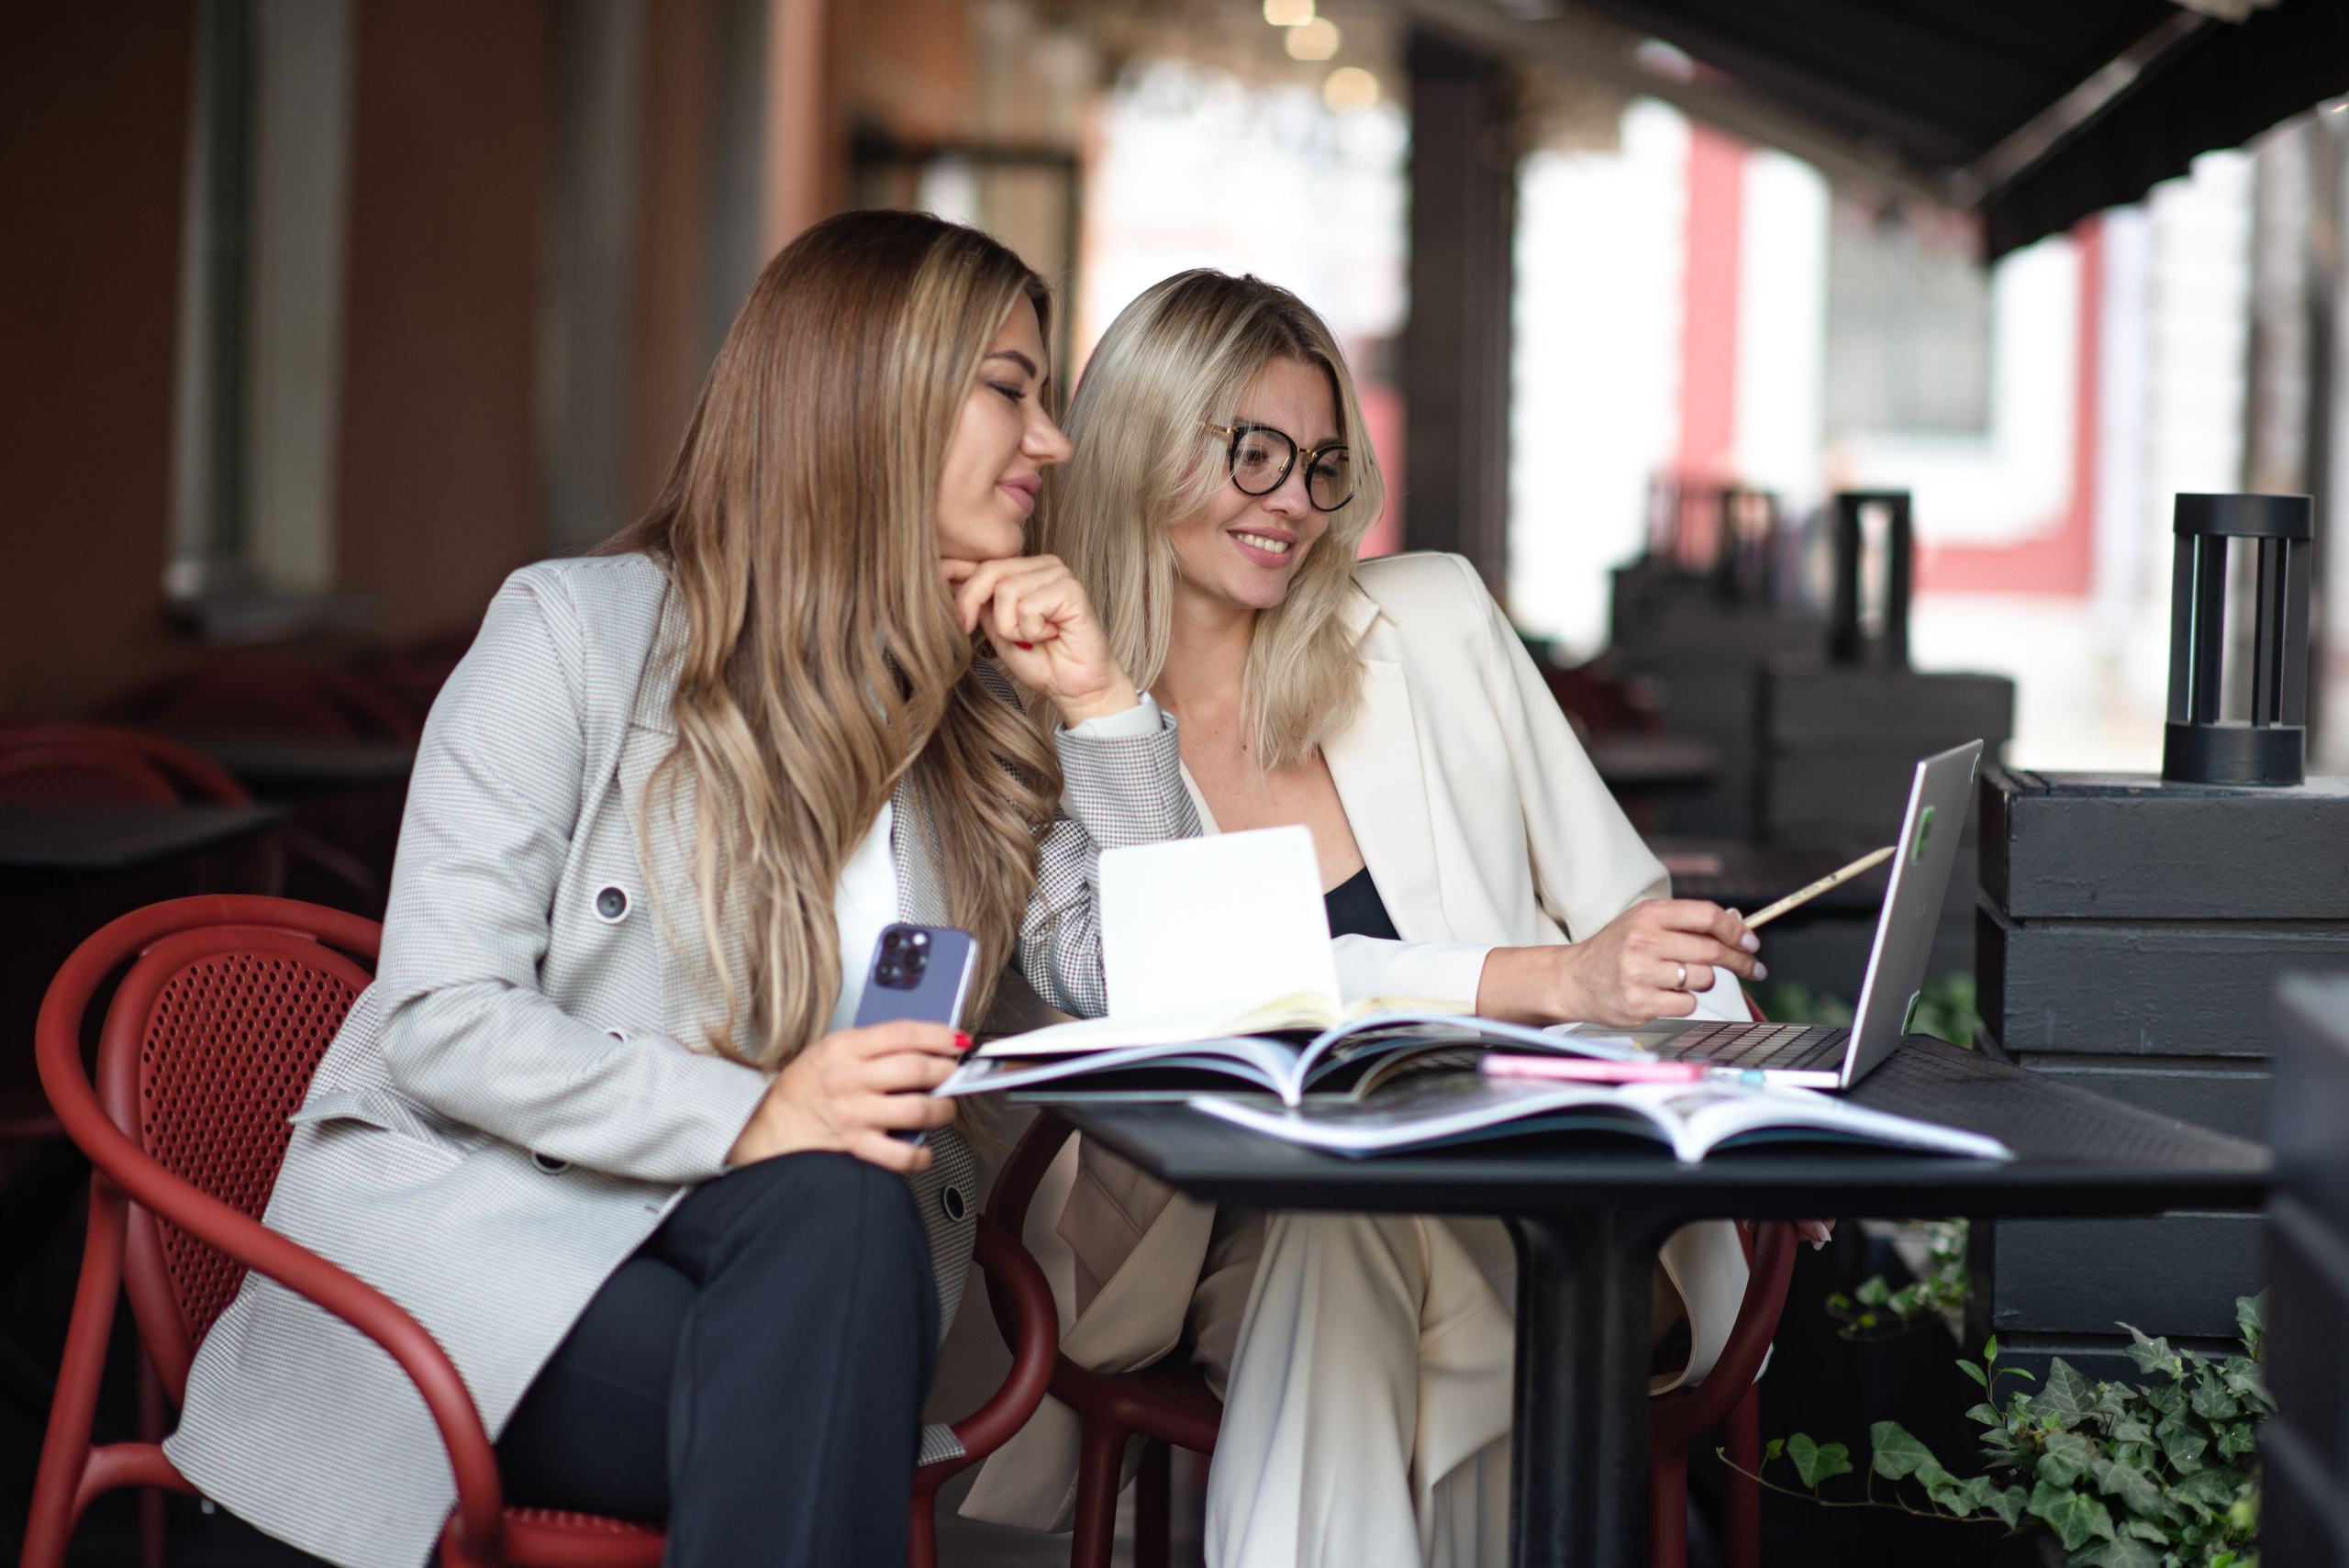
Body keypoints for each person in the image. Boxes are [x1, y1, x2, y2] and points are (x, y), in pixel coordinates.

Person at [163, 211, 1199, 1568]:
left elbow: (1179, 999)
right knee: (833, 1227)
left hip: (803, 1285)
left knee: (836, 1210)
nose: (1051, 441)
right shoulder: (576, 637)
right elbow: (443, 1018)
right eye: (1011, 387)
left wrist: (1105, 706)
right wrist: (761, 1111)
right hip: (485, 1278)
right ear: (868, 392)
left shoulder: (968, 734)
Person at [962, 269, 1812, 1568]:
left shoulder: (1430, 622)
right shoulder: (1042, 714)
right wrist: (1542, 978)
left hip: (1543, 1201)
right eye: (1252, 454)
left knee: (1354, 1228)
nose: (1294, 504)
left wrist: (1769, 1094)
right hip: (1210, 1237)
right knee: (1341, 1219)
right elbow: (1172, 980)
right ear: (1143, 440)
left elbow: (1628, 906)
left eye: (1319, 465)